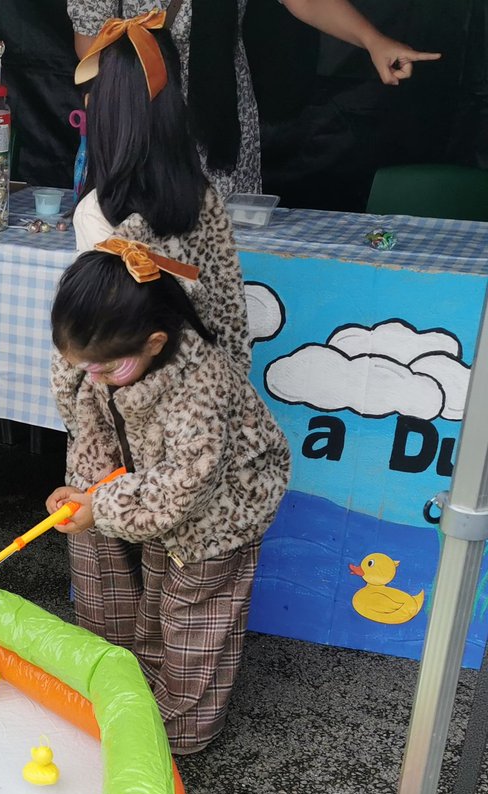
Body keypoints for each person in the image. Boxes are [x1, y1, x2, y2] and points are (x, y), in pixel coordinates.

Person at [45, 240, 290, 754]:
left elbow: (184, 486)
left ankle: (179, 735)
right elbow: (90, 423)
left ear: (155, 343)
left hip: (221, 513)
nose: (93, 376)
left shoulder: (202, 386)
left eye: (104, 368)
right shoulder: (101, 356)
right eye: (81, 365)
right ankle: (133, 694)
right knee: (152, 595)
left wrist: (102, 506)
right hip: (152, 491)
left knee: (192, 620)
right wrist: (87, 489)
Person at [67, 1, 441, 197]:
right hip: (139, 121)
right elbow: (91, 48)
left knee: (225, 256)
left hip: (220, 122)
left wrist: (373, 41)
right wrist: (122, 119)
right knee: (141, 255)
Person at [69, 16, 250, 375]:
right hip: (208, 386)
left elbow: (100, 344)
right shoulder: (203, 198)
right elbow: (230, 309)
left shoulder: (96, 212)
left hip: (141, 400)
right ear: (175, 108)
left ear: (98, 110)